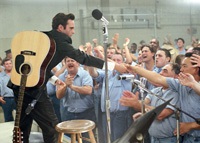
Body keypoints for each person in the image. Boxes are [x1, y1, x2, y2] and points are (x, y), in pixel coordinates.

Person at [8, 12, 127, 143]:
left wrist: (54, 79)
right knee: (53, 129)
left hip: (18, 85)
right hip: (34, 90)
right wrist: (113, 66)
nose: (74, 32)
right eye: (71, 28)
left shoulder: (42, 37)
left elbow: (39, 67)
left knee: (22, 129)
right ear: (60, 28)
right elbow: (83, 58)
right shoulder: (60, 41)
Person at [125, 48, 200, 143]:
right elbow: (158, 78)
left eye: (185, 66)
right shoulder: (180, 84)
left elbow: (161, 115)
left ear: (196, 69)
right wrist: (136, 69)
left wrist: (191, 125)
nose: (181, 70)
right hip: (187, 138)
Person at [120, 63, 181, 143]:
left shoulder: (176, 93)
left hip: (168, 139)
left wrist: (138, 104)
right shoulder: (155, 91)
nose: (161, 73)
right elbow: (144, 104)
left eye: (165, 71)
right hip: (153, 138)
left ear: (176, 77)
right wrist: (134, 101)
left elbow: (161, 114)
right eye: (161, 70)